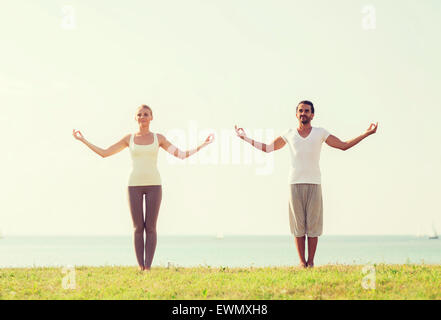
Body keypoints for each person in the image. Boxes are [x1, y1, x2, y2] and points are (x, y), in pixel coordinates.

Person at [235, 100, 378, 268]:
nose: (303, 113)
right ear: (296, 114)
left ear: (312, 115)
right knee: (298, 226)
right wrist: (245, 138)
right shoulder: (289, 133)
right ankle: (302, 263)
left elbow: (343, 145)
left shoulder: (320, 132)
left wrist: (366, 133)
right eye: (301, 111)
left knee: (313, 225)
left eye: (307, 111)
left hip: (314, 183)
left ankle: (311, 262)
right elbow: (267, 148)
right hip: (294, 183)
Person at [73, 104, 214, 271]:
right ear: (135, 118)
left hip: (154, 184)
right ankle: (141, 267)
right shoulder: (129, 139)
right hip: (134, 185)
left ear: (151, 117)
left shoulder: (158, 138)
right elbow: (105, 153)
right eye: (139, 114)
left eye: (146, 114)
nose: (143, 117)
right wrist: (83, 140)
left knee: (151, 227)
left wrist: (203, 145)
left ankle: (148, 268)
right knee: (138, 228)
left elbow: (181, 155)